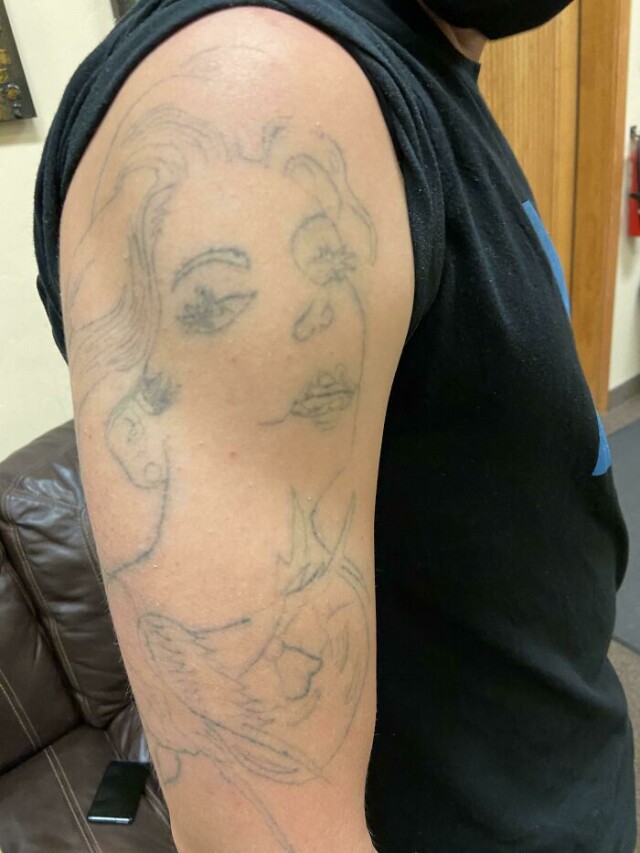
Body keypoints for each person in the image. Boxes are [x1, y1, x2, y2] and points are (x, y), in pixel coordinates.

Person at [34, 0, 637, 850]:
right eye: (224, 293)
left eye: (325, 256)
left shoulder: (416, 75)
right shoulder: (250, 81)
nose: (313, 311)